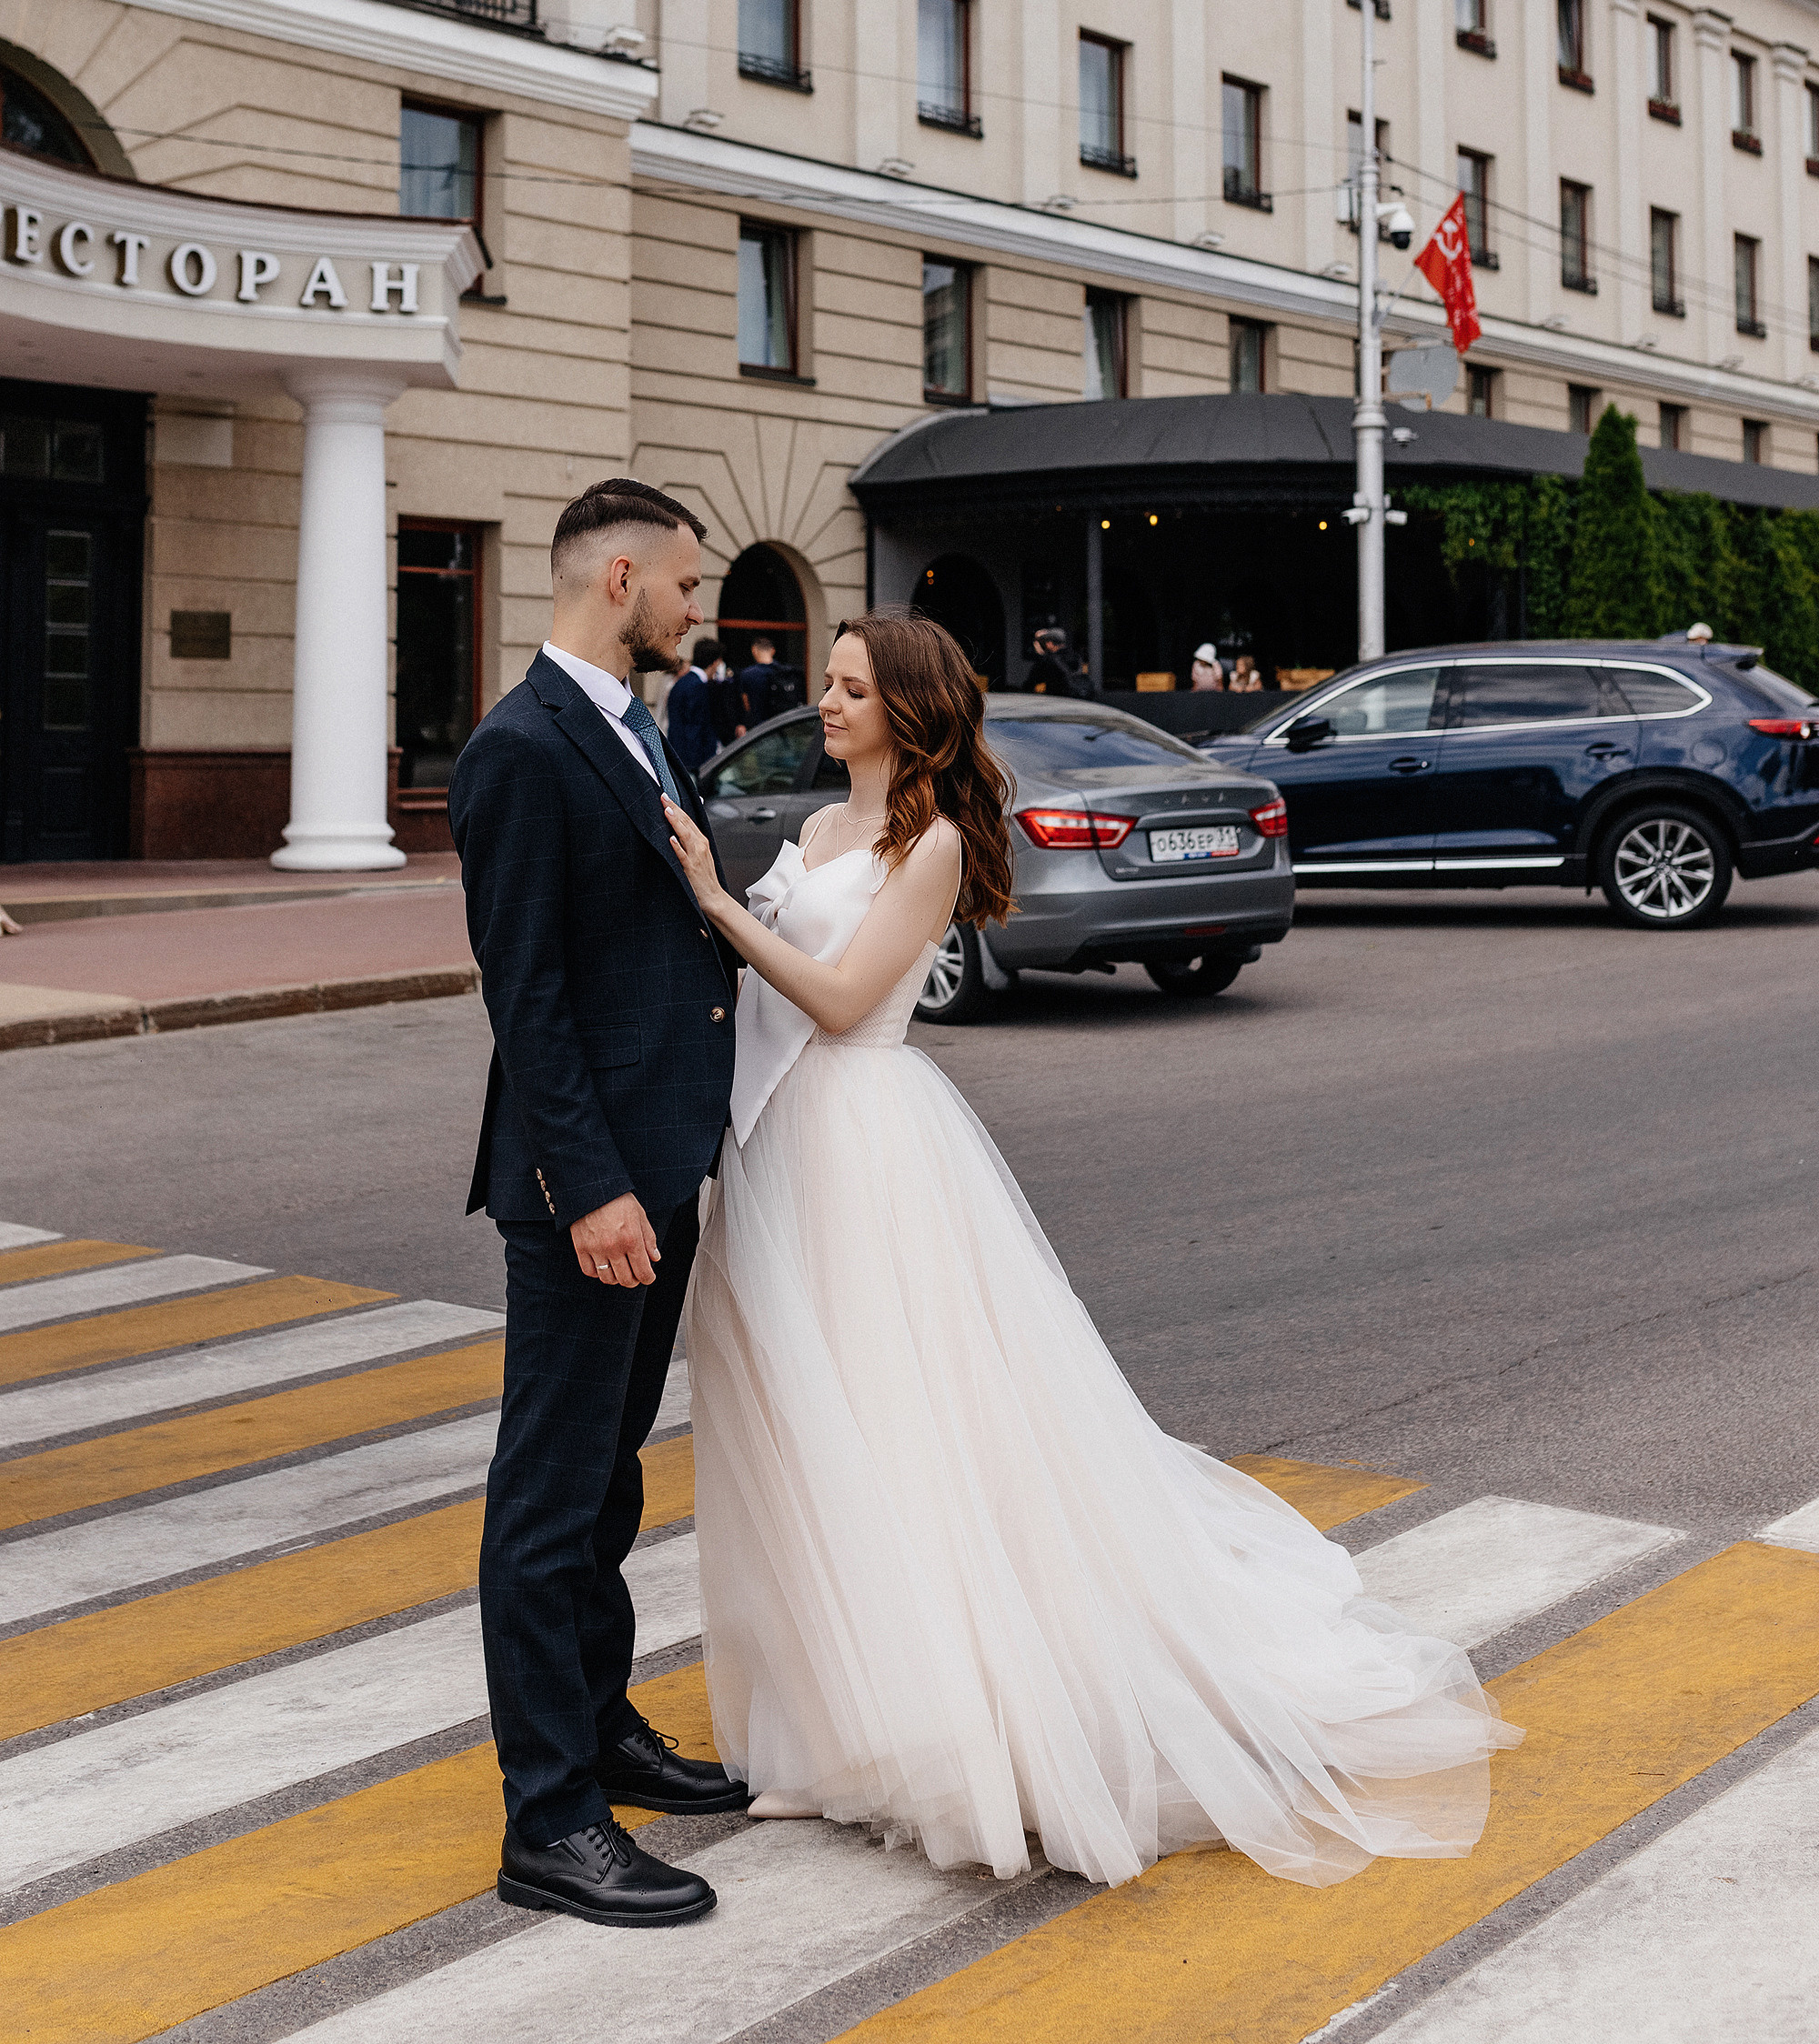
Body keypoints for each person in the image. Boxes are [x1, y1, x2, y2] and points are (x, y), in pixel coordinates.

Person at [661, 614, 1518, 1892]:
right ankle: (825, 1732)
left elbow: (841, 1004)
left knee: (898, 1426)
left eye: (848, 688)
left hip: (866, 1146)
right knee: (800, 1428)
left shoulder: (933, 842)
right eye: (824, 683)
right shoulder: (824, 831)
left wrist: (718, 905)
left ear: (908, 709)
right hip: (782, 1149)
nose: (822, 703)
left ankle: (933, 1725)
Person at [447, 478, 749, 1933]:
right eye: (688, 587)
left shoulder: (632, 728)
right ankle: (549, 1820)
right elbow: (531, 994)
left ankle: (605, 1729)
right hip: (592, 1190)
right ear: (619, 577)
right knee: (548, 1498)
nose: (701, 611)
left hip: (655, 1165)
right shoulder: (520, 748)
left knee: (610, 1480)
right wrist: (593, 1188)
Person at [665, 633, 725, 776]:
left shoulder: (680, 682)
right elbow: (696, 726)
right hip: (694, 762)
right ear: (715, 662)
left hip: (678, 755)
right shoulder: (698, 686)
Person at [736, 635, 787, 734]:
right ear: (773, 650)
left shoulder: (748, 674)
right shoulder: (785, 672)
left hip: (759, 729)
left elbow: (746, 704)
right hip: (782, 725)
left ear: (754, 650)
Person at [1026, 622, 1090, 696]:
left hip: (1056, 701)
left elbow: (1031, 683)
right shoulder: (1076, 656)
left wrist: (1041, 655)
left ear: (1049, 643)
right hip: (1077, 699)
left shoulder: (1049, 660)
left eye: (1044, 642)